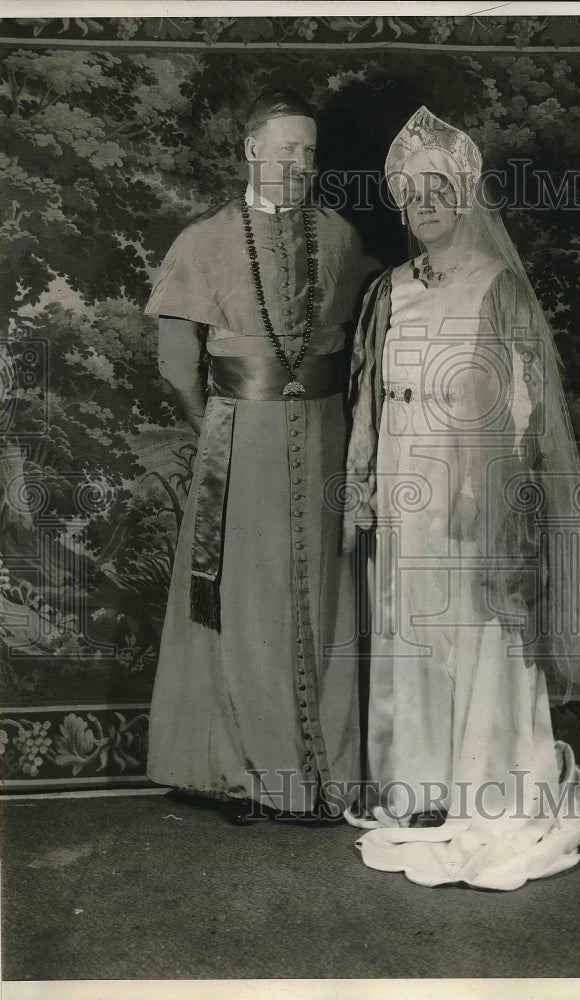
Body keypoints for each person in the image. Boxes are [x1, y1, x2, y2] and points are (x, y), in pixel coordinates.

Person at [342, 107, 580, 887]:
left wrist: (484, 487)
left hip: (468, 481)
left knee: (471, 628)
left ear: (464, 196)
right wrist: (361, 480)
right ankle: (417, 785)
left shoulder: (498, 289)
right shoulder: (386, 291)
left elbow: (522, 407)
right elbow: (366, 395)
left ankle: (485, 783)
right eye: (410, 194)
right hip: (401, 474)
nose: (424, 205)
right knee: (408, 621)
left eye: (438, 189)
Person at [144, 88, 378, 818]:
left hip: (330, 435)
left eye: (309, 152)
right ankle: (247, 772)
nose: (299, 164)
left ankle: (328, 777)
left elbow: (363, 347)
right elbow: (176, 361)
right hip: (241, 437)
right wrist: (216, 425)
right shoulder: (203, 239)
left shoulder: (340, 236)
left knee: (327, 593)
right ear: (251, 150)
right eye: (286, 150)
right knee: (246, 597)